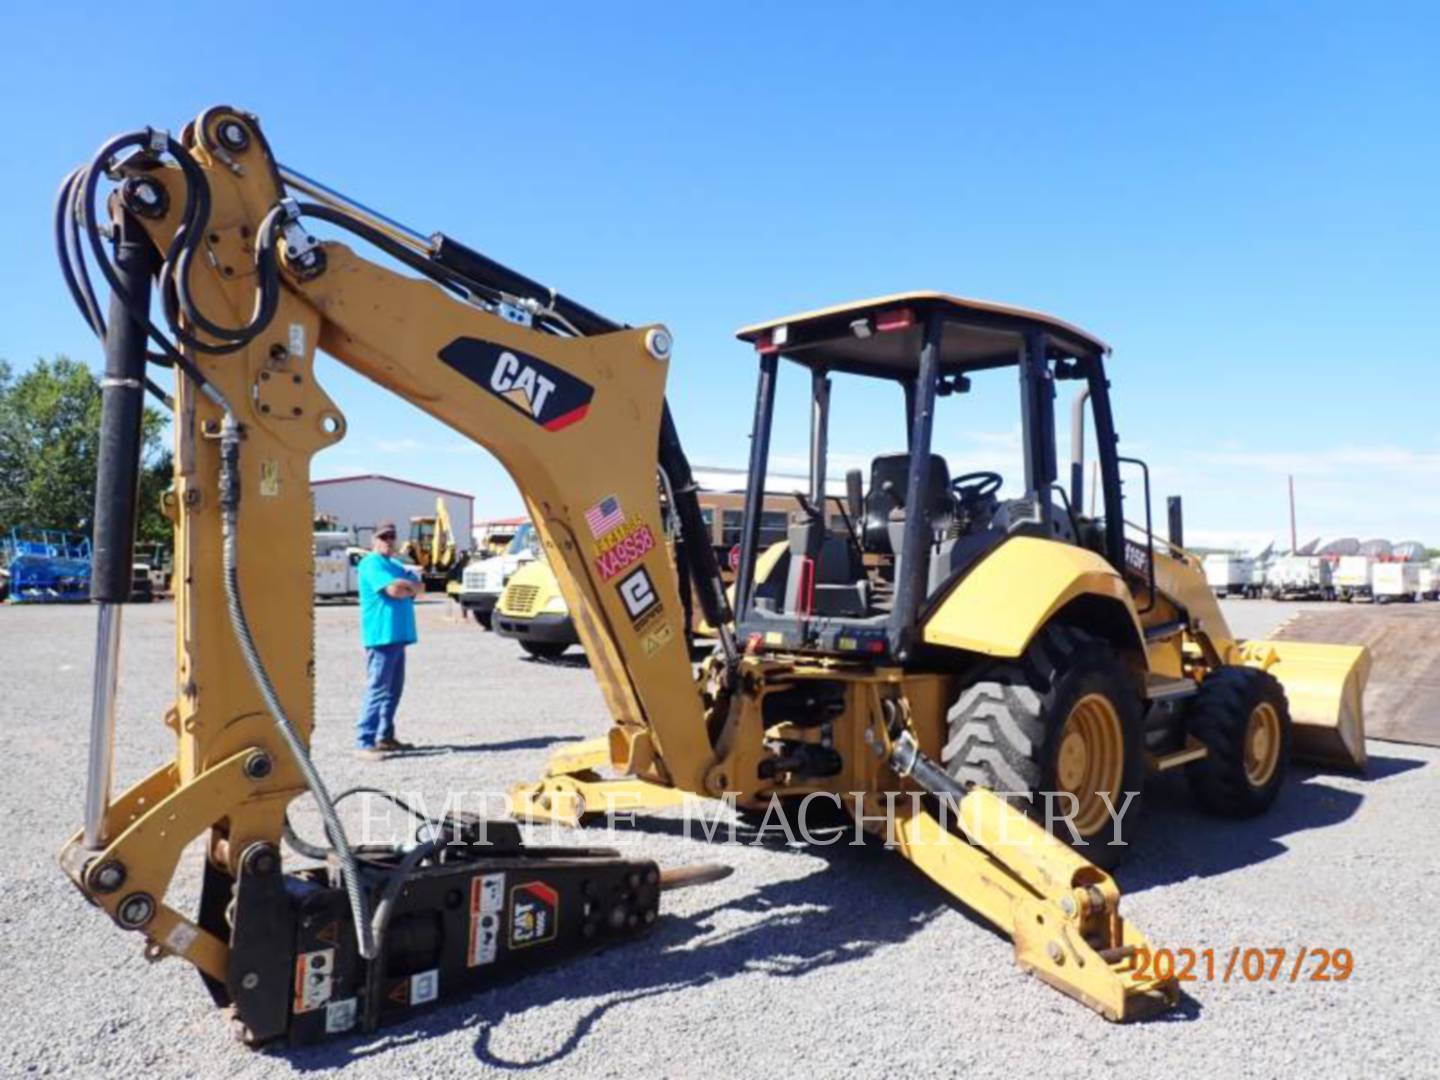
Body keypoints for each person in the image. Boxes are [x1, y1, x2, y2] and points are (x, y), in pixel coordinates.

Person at [354, 521, 422, 759]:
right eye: (383, 537)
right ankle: (364, 741)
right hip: (381, 635)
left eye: (391, 536)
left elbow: (420, 586)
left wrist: (406, 586)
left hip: (398, 635)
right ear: (373, 540)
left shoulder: (394, 564)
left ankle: (385, 736)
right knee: (378, 688)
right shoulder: (371, 563)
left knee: (393, 689)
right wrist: (405, 586)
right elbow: (393, 591)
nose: (388, 541)